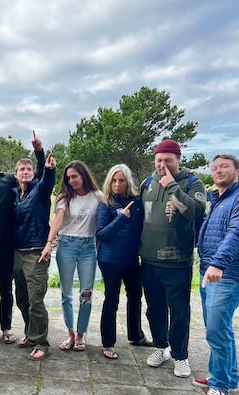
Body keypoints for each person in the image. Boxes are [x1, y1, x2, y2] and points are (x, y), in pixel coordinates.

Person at [193, 154, 239, 395]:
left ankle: (220, 386)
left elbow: (238, 232)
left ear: (238, 170)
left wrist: (219, 263)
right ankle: (227, 376)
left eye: (224, 166)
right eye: (215, 168)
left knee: (216, 329)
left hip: (227, 274)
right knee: (218, 327)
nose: (218, 171)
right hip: (210, 273)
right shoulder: (220, 199)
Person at [139, 139, 207, 378]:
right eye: (159, 160)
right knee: (154, 309)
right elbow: (141, 217)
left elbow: (197, 212)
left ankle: (180, 356)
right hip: (148, 259)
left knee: (178, 311)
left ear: (178, 160)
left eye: (168, 160)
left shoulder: (192, 183)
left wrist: (172, 187)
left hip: (177, 261)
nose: (163, 164)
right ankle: (160, 347)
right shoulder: (147, 183)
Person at [0, 135, 44, 345]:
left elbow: (36, 176)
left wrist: (38, 152)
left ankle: (6, 328)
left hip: (6, 246)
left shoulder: (8, 180)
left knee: (6, 289)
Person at [40, 161, 101, 353]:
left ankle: (81, 334)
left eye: (75, 176)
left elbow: (104, 219)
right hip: (66, 245)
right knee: (66, 294)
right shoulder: (65, 197)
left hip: (88, 247)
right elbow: (58, 220)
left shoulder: (97, 196)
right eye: (68, 178)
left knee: (86, 294)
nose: (72, 180)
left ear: (84, 175)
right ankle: (71, 333)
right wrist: (49, 243)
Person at [96, 164, 151, 360]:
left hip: (131, 259)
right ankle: (107, 343)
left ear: (128, 182)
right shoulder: (105, 203)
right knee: (112, 300)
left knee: (136, 296)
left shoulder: (137, 201)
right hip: (109, 260)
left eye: (121, 180)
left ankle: (136, 335)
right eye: (114, 180)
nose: (117, 184)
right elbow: (102, 234)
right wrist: (121, 218)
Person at [14, 145, 56, 361]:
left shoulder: (39, 190)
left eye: (29, 169)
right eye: (22, 169)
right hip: (17, 253)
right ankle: (31, 335)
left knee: (35, 300)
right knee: (21, 298)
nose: (26, 172)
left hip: (36, 252)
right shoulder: (15, 195)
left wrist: (47, 167)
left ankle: (41, 342)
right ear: (16, 174)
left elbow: (47, 181)